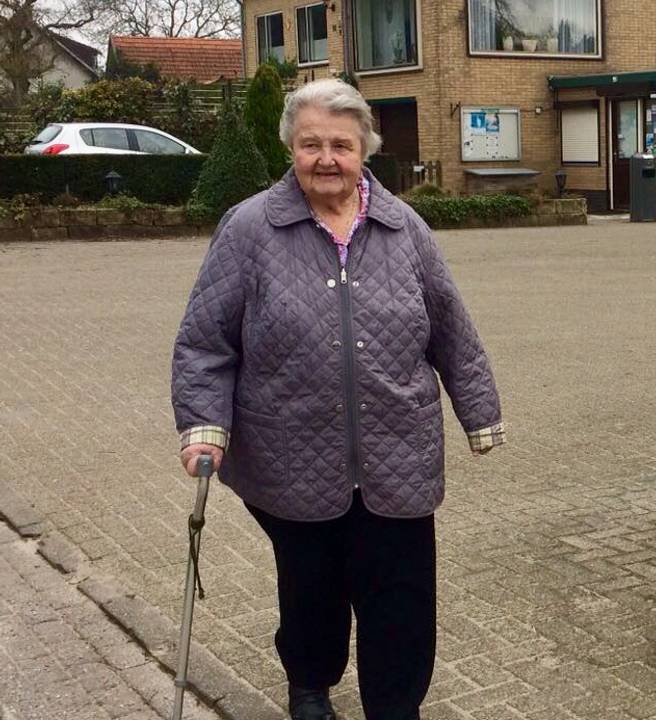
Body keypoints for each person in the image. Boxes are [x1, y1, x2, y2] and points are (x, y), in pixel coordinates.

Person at [171, 79, 504, 720]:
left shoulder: (403, 226)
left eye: (341, 145)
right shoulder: (249, 229)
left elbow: (451, 327)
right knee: (312, 590)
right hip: (290, 454)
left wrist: (480, 411)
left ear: (364, 151)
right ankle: (310, 685)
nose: (327, 158)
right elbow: (205, 340)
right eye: (311, 144)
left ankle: (395, 705)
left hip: (398, 450)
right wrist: (204, 422)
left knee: (401, 598)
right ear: (290, 149)